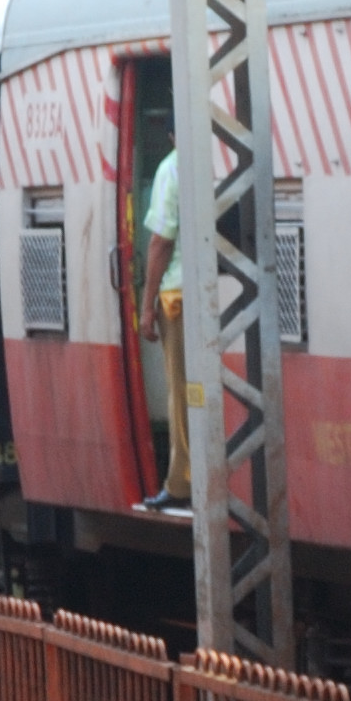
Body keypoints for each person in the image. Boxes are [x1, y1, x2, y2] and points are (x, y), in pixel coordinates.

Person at [139, 137, 190, 505]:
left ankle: (181, 483)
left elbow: (160, 242)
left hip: (178, 298)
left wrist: (146, 305)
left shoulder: (172, 167)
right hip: (215, 292)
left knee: (182, 394)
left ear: (173, 134)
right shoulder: (219, 158)